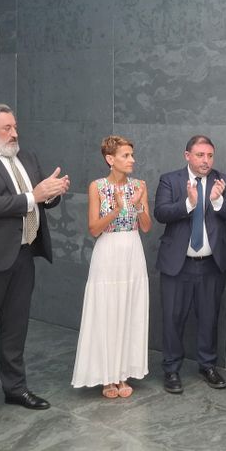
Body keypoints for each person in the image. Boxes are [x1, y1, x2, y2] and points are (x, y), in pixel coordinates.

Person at [0, 104, 70, 425]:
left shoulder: (27, 157)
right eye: (6, 128)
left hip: (22, 254)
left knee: (15, 327)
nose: (15, 133)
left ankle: (15, 388)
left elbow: (38, 197)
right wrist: (36, 195)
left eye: (15, 126)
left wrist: (53, 193)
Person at [153, 135, 226, 394]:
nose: (206, 161)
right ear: (187, 156)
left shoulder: (223, 182)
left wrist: (217, 200)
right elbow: (161, 213)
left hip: (211, 265)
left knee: (209, 317)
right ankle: (171, 369)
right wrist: (189, 203)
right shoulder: (170, 180)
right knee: (172, 318)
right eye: (200, 155)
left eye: (210, 156)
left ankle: (208, 366)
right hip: (177, 265)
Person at [71, 136, 152, 398]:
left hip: (132, 251)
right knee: (107, 310)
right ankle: (107, 377)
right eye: (126, 156)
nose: (132, 160)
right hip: (107, 252)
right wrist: (117, 208)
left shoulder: (140, 185)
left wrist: (138, 204)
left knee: (130, 307)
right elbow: (94, 228)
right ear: (110, 159)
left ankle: (123, 374)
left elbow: (147, 226)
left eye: (132, 155)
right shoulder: (97, 187)